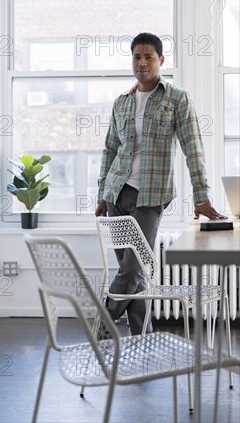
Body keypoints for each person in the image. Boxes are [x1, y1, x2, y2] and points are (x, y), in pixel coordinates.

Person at [96, 32, 226, 336]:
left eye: (148, 57)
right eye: (136, 57)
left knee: (131, 269)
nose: (142, 63)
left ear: (161, 60)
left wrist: (201, 196)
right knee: (134, 275)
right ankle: (145, 340)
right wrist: (102, 194)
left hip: (151, 197)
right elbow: (109, 150)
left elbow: (192, 147)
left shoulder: (177, 98)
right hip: (117, 193)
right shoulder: (122, 102)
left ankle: (101, 327)